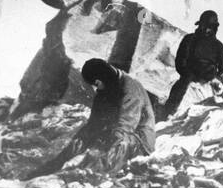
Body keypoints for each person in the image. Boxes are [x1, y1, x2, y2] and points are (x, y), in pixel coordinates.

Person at [25, 59, 155, 179]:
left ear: (100, 80)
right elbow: (95, 122)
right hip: (114, 131)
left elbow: (125, 127)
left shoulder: (131, 89)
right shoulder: (109, 83)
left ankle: (87, 173)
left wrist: (100, 147)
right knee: (82, 137)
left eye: (96, 84)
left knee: (118, 143)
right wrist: (81, 140)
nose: (96, 88)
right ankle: (52, 168)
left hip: (138, 140)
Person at [165, 10, 223, 117]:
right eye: (204, 25)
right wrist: (189, 76)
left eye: (210, 27)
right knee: (179, 92)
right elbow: (181, 61)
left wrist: (216, 79)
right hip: (189, 77)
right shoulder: (189, 39)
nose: (207, 29)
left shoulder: (218, 46)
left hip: (209, 80)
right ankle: (168, 114)